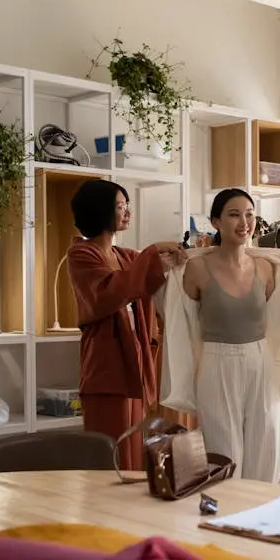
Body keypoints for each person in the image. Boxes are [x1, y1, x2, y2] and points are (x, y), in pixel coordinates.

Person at [182, 188, 280, 482]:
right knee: (223, 452)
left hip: (261, 359)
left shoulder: (266, 267)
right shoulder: (196, 268)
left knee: (267, 443)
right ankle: (223, 520)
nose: (244, 222)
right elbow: (178, 318)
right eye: (234, 215)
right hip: (216, 362)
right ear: (216, 222)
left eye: (249, 215)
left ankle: (264, 520)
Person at [66, 179, 185, 470]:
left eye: (126, 206)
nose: (127, 212)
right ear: (100, 210)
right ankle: (105, 514)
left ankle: (128, 512)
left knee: (135, 450)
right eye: (120, 207)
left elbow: (149, 275)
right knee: (111, 452)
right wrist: (156, 250)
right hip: (106, 365)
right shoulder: (81, 254)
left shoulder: (126, 256)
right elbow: (110, 291)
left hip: (136, 361)